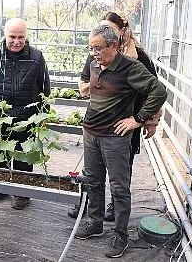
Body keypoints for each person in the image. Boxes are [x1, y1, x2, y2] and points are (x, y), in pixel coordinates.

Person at [74, 25, 166, 258]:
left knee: (119, 188)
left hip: (115, 138)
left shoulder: (130, 67)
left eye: (98, 48)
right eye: (91, 48)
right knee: (93, 181)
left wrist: (138, 119)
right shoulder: (95, 63)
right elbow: (89, 87)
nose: (93, 53)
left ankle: (120, 234)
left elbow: (158, 91)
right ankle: (95, 222)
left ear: (113, 46)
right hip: (91, 133)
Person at [0, 18, 51, 210]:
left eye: (21, 37)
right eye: (12, 37)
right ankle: (1, 188)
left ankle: (22, 193)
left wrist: (43, 114)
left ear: (26, 37)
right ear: (5, 35)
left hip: (27, 116)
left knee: (24, 156)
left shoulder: (36, 57)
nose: (16, 41)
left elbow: (44, 87)